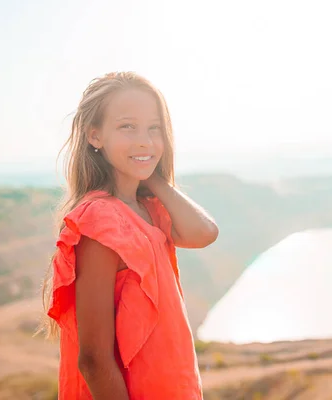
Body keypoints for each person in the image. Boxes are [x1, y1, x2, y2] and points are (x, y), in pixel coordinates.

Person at [39, 71, 218, 399]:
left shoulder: (148, 208)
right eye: (127, 127)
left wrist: (154, 178)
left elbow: (205, 232)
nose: (144, 141)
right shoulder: (99, 222)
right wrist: (144, 168)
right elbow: (94, 360)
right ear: (95, 136)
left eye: (154, 129)